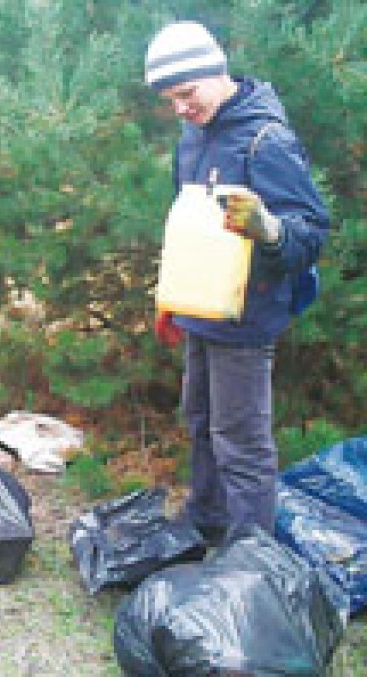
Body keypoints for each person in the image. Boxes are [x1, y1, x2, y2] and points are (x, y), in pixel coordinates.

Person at [144, 22, 329, 542]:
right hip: (199, 309)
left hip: (248, 317)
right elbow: (185, 224)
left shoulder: (267, 139)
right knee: (200, 420)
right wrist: (170, 301)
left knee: (241, 442)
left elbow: (310, 234)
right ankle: (206, 526)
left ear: (217, 70)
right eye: (169, 99)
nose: (180, 107)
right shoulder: (194, 135)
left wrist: (268, 228)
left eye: (186, 93)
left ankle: (251, 566)